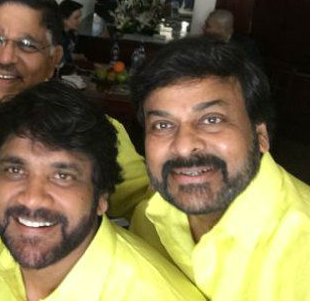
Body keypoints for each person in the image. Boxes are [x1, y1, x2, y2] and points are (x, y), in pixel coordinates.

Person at [0, 0, 149, 289]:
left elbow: (152, 213)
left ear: (54, 59)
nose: (5, 57)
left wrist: (32, 220)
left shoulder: (92, 132)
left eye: (27, 45)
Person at [0, 81, 204, 301]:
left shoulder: (157, 294)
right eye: (15, 170)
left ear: (102, 198)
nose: (32, 198)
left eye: (62, 176)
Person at [129, 36, 310, 301]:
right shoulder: (148, 218)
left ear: (261, 136)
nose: (184, 146)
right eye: (163, 125)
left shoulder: (303, 248)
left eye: (212, 120)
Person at [58, 0, 84, 67]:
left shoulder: (73, 33)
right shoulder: (55, 35)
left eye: (80, 17)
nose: (80, 21)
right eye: (76, 18)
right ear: (64, 19)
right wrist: (73, 56)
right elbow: (55, 57)